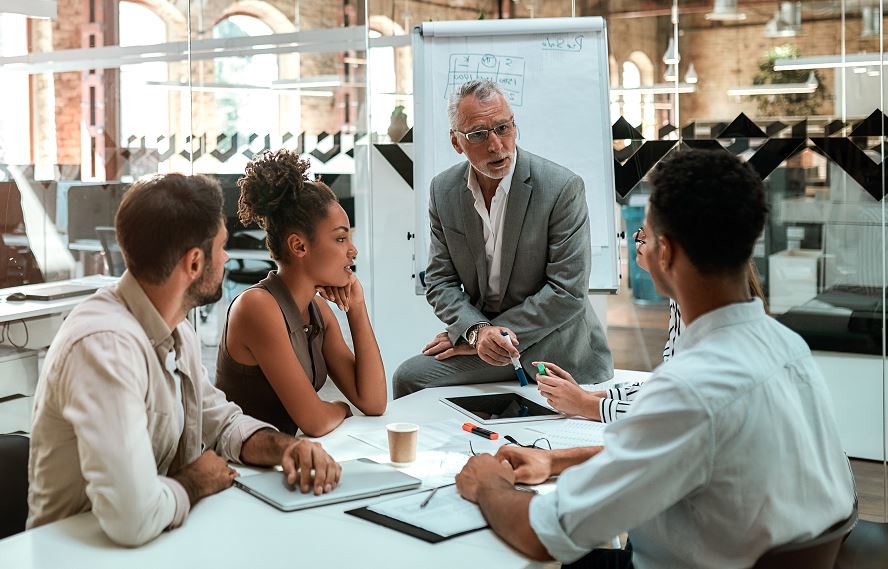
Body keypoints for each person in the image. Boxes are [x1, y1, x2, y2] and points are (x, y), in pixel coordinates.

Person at [454, 149, 856, 568]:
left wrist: (488, 485)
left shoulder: (690, 389)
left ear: (665, 252)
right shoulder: (787, 347)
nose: (637, 243)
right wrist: (555, 459)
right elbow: (682, 450)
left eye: (642, 234)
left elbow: (543, 534)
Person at [27, 173, 342, 547]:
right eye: (222, 247)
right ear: (195, 263)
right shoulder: (105, 347)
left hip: (156, 541)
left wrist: (288, 449)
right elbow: (132, 518)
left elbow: (221, 423)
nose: (226, 257)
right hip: (80, 552)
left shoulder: (176, 328)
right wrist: (195, 482)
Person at [392, 79, 612, 398]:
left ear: (514, 126)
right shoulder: (444, 190)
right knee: (410, 378)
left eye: (503, 128)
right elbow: (440, 280)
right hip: (487, 338)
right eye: (479, 134)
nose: (496, 145)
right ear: (457, 142)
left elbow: (567, 290)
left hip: (558, 346)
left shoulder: (561, 188)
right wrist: (476, 331)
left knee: (411, 377)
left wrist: (490, 336)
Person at [216, 150, 386, 437]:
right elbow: (316, 422)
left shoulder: (318, 310)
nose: (352, 251)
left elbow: (373, 402)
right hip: (241, 468)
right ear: (299, 247)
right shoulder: (257, 307)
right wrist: (341, 408)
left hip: (287, 461)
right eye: (341, 238)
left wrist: (356, 308)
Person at [537, 254, 767, 422]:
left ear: (669, 246)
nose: (636, 238)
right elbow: (668, 387)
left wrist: (587, 405)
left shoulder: (710, 324)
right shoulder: (685, 301)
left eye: (645, 233)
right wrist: (589, 396)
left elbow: (674, 418)